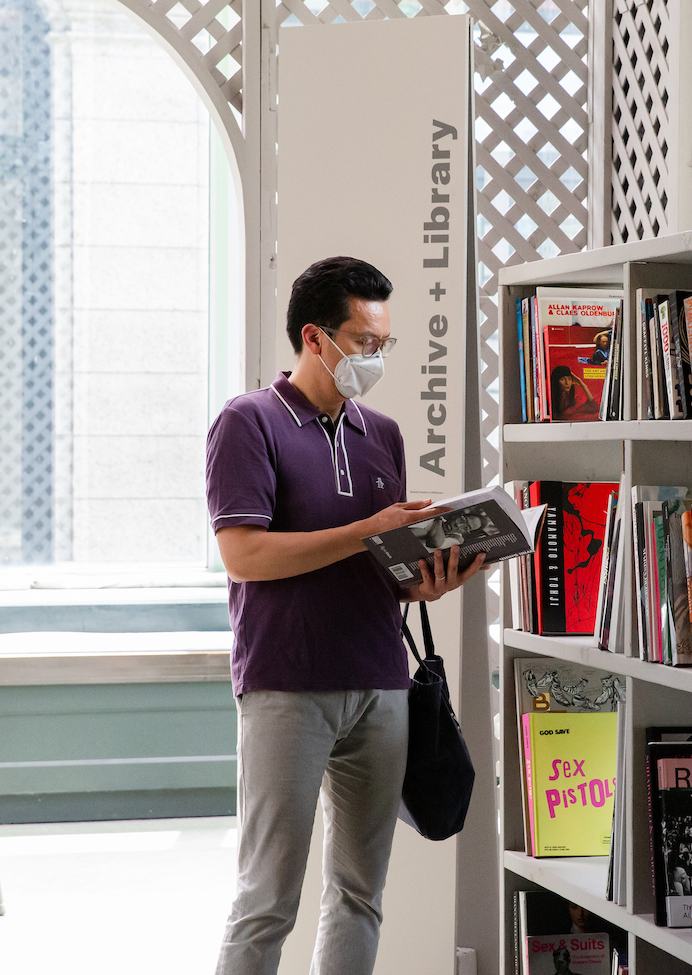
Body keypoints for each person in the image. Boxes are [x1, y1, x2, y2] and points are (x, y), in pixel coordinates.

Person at [207, 256, 486, 975]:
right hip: (286, 685)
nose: (375, 357)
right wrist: (367, 530)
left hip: (381, 682)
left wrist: (424, 582)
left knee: (361, 893)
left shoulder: (382, 434)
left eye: (383, 344)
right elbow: (245, 556)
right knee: (267, 897)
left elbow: (376, 573)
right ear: (314, 337)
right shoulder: (248, 423)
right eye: (365, 341)